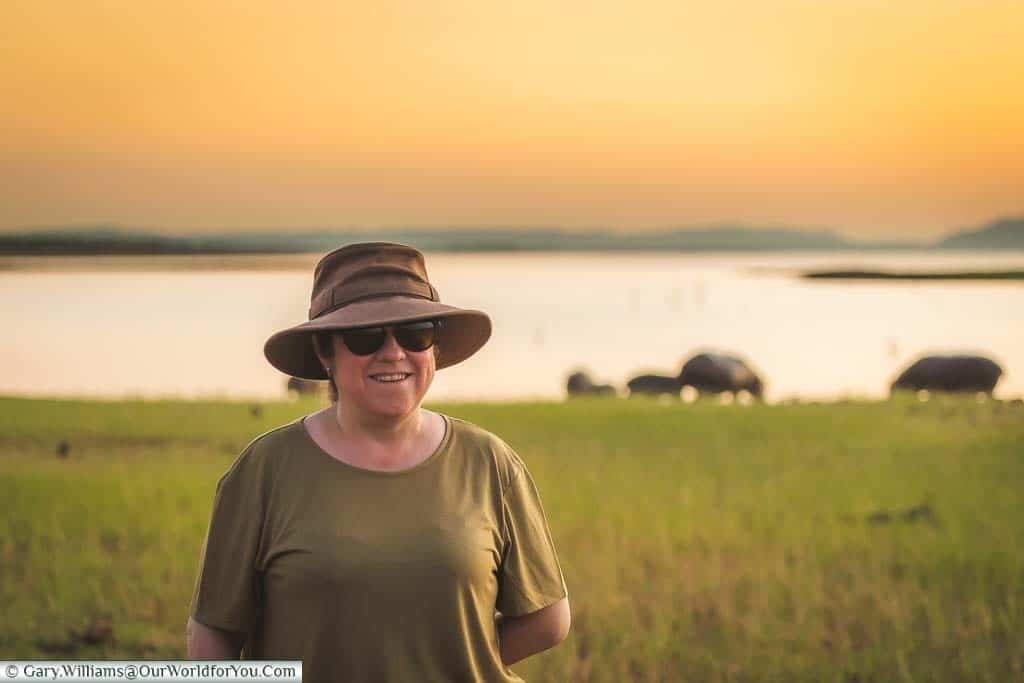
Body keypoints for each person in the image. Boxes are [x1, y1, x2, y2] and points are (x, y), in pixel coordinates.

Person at [186, 242, 570, 681]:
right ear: (324, 352)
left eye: (416, 332)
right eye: (366, 336)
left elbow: (548, 619)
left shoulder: (490, 463)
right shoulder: (262, 472)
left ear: (435, 350)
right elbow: (211, 641)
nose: (393, 352)